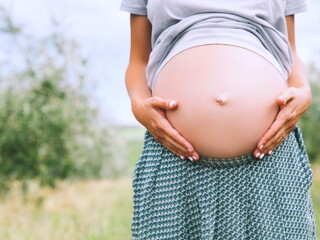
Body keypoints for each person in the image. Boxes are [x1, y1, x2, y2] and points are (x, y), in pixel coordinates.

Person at [120, 0, 316, 239]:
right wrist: (138, 104)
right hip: (175, 157)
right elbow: (138, 59)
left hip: (268, 158)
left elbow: (289, 53)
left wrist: (303, 90)